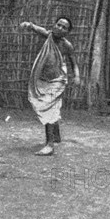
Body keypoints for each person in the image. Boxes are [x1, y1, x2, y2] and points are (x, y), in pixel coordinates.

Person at [19, 17, 80, 156]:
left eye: (64, 27)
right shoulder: (48, 36)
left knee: (48, 108)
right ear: (54, 25)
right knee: (49, 107)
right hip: (42, 79)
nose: (60, 28)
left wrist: (77, 76)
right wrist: (29, 24)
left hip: (57, 80)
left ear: (68, 32)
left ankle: (49, 145)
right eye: (58, 25)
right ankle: (56, 134)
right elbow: (37, 29)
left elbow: (74, 63)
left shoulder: (67, 46)